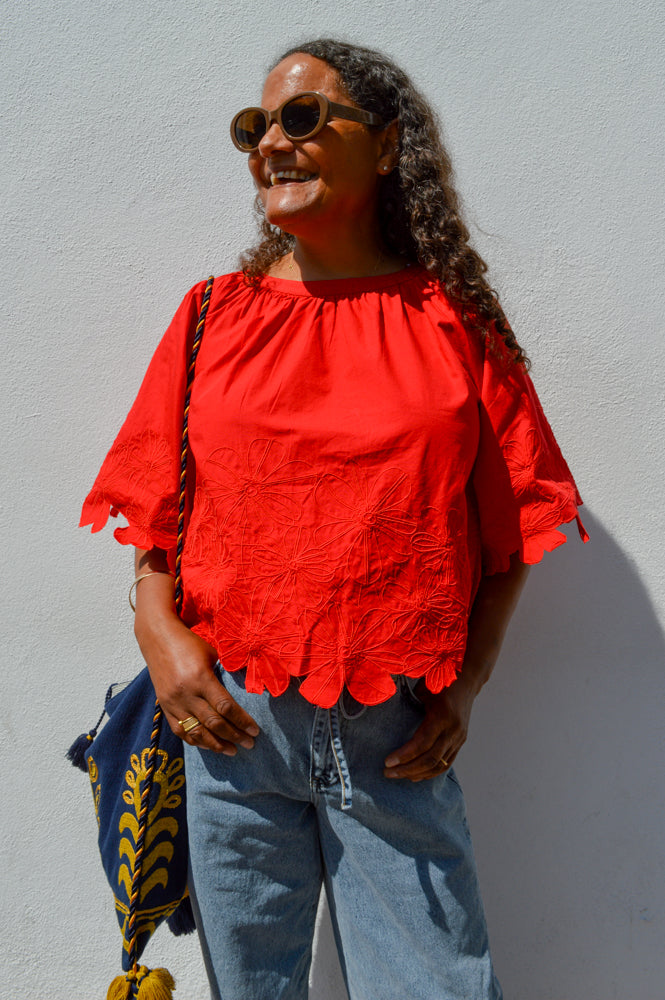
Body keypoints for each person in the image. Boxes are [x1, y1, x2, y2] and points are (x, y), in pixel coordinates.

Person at [81, 38, 587, 1000]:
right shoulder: (212, 316)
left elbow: (516, 524)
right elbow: (156, 511)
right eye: (256, 127)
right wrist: (158, 632)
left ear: (387, 145)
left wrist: (469, 684)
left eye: (303, 117)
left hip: (395, 737)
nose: (272, 142)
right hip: (228, 727)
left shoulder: (452, 323)